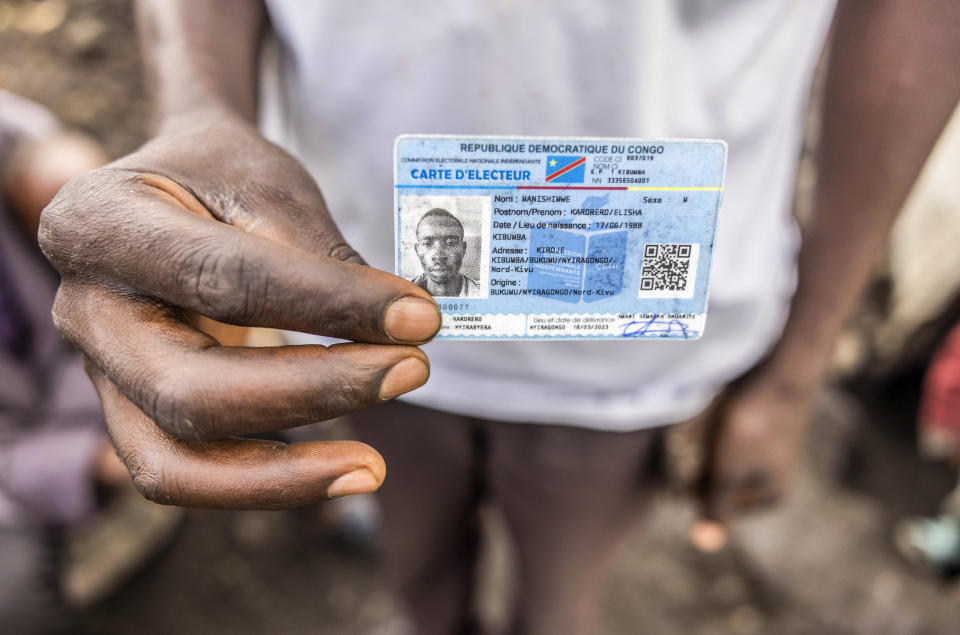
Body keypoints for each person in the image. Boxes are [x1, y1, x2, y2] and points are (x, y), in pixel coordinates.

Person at [37, 1, 960, 633]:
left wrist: (797, 369)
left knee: (556, 599)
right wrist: (199, 105)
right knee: (416, 559)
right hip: (351, 269)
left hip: (637, 323)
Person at [410, 208, 481, 298]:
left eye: (450, 243)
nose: (439, 256)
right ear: (417, 250)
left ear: (463, 249)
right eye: (427, 244)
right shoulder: (400, 294)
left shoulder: (483, 293)